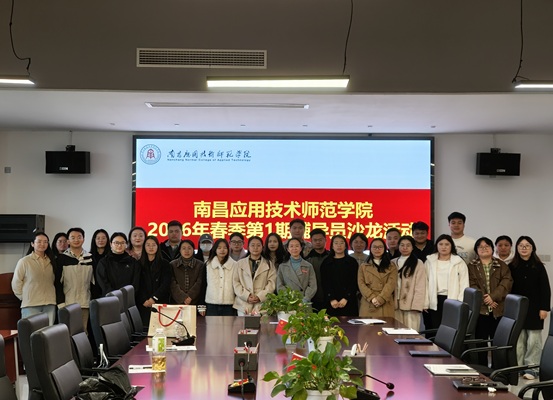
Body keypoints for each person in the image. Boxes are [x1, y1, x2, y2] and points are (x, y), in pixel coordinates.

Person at [509, 236, 551, 380]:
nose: (524, 248)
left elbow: (545, 289)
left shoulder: (539, 266)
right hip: (517, 308)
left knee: (533, 340)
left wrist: (544, 308)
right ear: (517, 248)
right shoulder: (512, 266)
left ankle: (532, 369)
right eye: (521, 245)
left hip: (535, 308)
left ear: (532, 248)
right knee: (519, 340)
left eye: (527, 245)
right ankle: (518, 368)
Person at [467, 237, 513, 366]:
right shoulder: (471, 266)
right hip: (480, 310)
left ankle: (497, 371)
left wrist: (493, 297)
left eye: (487, 246)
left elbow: (506, 283)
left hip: (498, 309)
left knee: (497, 342)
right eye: (480, 247)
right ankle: (482, 370)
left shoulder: (501, 265)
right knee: (480, 342)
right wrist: (487, 300)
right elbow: (471, 284)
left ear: (492, 249)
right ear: (476, 250)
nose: (484, 249)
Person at [424, 234, 469, 330]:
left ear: (451, 246)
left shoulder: (459, 262)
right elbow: (425, 283)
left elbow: (464, 284)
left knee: (450, 329)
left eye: (447, 244)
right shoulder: (429, 261)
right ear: (436, 246)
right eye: (441, 244)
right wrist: (425, 302)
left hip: (452, 299)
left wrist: (460, 302)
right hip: (434, 299)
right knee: (434, 328)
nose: (443, 247)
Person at [11, 232, 57, 325]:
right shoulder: (24, 261)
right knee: (31, 331)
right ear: (32, 244)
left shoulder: (52, 261)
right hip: (31, 304)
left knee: (49, 332)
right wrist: (24, 297)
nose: (42, 244)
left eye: (45, 242)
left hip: (49, 303)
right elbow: (16, 282)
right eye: (39, 241)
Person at [56, 227, 95, 330]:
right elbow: (57, 283)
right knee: (67, 332)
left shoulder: (90, 258)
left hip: (85, 303)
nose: (76, 240)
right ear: (68, 241)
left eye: (79, 237)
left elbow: (93, 283)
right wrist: (61, 303)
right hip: (67, 303)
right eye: (73, 238)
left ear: (83, 239)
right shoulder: (61, 259)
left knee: (83, 332)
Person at [232, 236, 276, 315]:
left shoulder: (269, 264)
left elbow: (271, 284)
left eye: (258, 245)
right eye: (252, 245)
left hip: (262, 305)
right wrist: (246, 296)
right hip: (243, 304)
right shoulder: (239, 263)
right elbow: (236, 283)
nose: (255, 248)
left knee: (262, 323)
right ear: (248, 247)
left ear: (262, 247)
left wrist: (260, 297)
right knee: (243, 323)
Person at [393, 236, 426, 330]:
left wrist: (416, 305)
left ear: (412, 247)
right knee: (396, 331)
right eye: (402, 245)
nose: (405, 248)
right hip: (395, 304)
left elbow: (420, 286)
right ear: (398, 246)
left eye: (408, 245)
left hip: (411, 306)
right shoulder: (393, 262)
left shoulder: (418, 263)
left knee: (411, 332)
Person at [358, 238, 397, 318]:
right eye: (374, 247)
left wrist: (381, 298)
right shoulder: (363, 266)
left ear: (384, 248)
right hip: (369, 302)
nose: (377, 249)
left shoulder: (391, 265)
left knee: (386, 325)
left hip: (385, 302)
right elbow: (361, 284)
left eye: (380, 247)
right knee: (368, 326)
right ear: (370, 249)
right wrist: (372, 297)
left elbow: (391, 283)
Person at [138, 236, 172, 327]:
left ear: (158, 247)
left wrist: (154, 298)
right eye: (148, 245)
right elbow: (138, 284)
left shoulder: (165, 264)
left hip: (160, 302)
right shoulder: (138, 264)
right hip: (144, 304)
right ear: (144, 247)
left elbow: (166, 283)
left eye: (153, 245)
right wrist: (144, 299)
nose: (151, 247)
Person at [321, 235, 359, 316]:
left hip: (349, 301)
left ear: (345, 246)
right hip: (331, 302)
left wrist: (346, 298)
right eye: (336, 243)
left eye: (342, 243)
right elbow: (324, 282)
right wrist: (331, 299)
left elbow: (354, 281)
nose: (339, 245)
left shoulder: (352, 262)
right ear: (332, 246)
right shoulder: (326, 262)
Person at [96, 232, 141, 296]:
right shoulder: (103, 262)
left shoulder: (133, 262)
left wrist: (126, 294)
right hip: (109, 298)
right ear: (111, 244)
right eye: (116, 243)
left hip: (128, 298)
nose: (119, 245)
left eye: (122, 243)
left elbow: (136, 283)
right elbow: (103, 282)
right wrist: (114, 294)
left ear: (126, 244)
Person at [276, 237, 317, 303]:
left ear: (301, 248)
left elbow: (312, 285)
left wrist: (306, 298)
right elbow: (279, 285)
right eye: (291, 246)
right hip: (288, 303)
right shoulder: (282, 267)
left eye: (297, 246)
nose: (294, 248)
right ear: (288, 249)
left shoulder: (308, 266)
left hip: (304, 302)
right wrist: (288, 298)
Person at [204, 239, 237, 316]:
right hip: (211, 303)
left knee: (229, 324)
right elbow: (203, 285)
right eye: (219, 248)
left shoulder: (235, 265)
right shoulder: (208, 264)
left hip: (229, 304)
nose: (222, 250)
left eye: (225, 248)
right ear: (215, 249)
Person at [170, 240, 205, 305]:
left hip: (195, 302)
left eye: (189, 248)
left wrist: (190, 297)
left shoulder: (200, 265)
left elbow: (199, 283)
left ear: (193, 250)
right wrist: (183, 297)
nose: (186, 251)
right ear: (180, 250)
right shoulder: (172, 264)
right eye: (184, 248)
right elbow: (172, 283)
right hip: (176, 302)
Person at [306, 228, 329, 312]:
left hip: (330, 298)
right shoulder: (306, 259)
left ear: (325, 240)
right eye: (315, 240)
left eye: (320, 240)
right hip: (312, 298)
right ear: (311, 242)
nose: (318, 242)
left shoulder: (331, 257)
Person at [89, 228, 109, 299]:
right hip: (92, 291)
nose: (101, 240)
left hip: (107, 290)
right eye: (98, 238)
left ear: (107, 240)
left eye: (103, 238)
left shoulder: (111, 256)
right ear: (94, 240)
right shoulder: (88, 256)